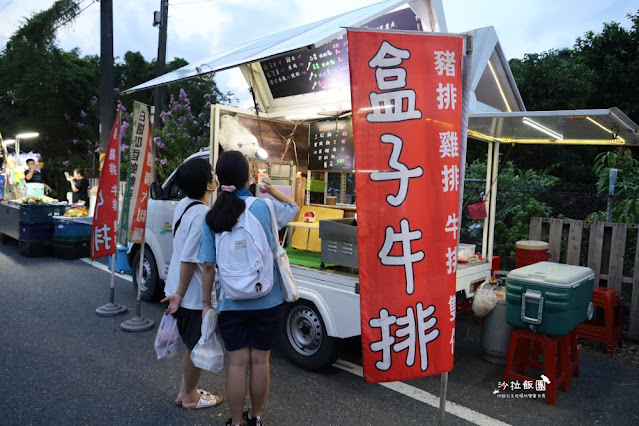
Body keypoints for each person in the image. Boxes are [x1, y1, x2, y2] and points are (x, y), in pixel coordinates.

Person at [199, 151, 298, 426]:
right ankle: (254, 417)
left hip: (231, 302)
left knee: (238, 364)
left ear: (218, 179)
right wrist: (271, 189)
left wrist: (207, 305)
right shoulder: (263, 208)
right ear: (248, 177)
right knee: (260, 362)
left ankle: (235, 421)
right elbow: (295, 208)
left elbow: (208, 266)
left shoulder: (212, 216)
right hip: (268, 298)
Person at [160, 157, 223, 410]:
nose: (215, 177)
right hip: (191, 293)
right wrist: (180, 294)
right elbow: (189, 259)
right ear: (208, 184)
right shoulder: (203, 216)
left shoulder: (185, 205)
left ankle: (185, 390)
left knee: (191, 343)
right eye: (212, 174)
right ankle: (189, 396)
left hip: (178, 286)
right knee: (195, 346)